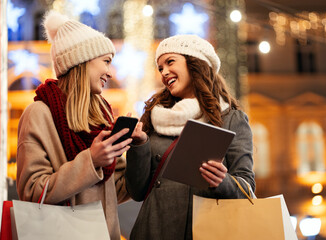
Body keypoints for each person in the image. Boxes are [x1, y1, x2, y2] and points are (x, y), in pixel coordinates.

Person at [125, 34, 255, 239]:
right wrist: (139, 146)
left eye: (170, 62)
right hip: (154, 229)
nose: (164, 72)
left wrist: (222, 181)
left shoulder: (231, 118)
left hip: (204, 230)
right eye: (160, 68)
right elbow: (137, 191)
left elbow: (247, 188)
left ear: (195, 63)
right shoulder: (153, 116)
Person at [16, 11, 131, 240]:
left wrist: (140, 150)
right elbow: (32, 192)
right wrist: (91, 161)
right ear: (82, 61)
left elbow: (114, 191)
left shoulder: (102, 115)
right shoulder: (39, 114)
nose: (109, 72)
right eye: (106, 61)